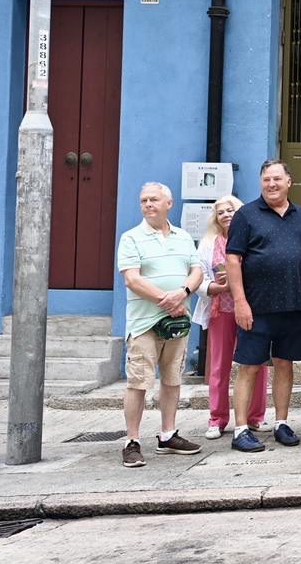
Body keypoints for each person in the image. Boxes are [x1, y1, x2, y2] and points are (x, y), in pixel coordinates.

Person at [225, 160, 301, 453]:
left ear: (289, 181)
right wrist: (240, 302)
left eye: (277, 179)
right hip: (256, 306)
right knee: (249, 367)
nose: (272, 184)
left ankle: (281, 422)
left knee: (284, 364)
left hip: (291, 306)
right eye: (266, 180)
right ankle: (240, 429)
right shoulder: (245, 215)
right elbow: (232, 260)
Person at [116, 182, 204, 467]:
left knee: (172, 379)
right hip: (145, 323)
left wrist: (184, 293)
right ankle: (132, 441)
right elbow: (132, 279)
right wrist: (168, 300)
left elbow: (196, 270)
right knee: (139, 382)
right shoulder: (131, 238)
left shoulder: (183, 236)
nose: (148, 204)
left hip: (177, 323)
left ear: (169, 203)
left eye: (154, 199)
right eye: (143, 200)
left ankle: (168, 435)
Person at [193, 195, 269, 441]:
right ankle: (217, 419)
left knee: (255, 363)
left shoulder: (252, 237)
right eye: (220, 212)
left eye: (230, 210)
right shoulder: (208, 244)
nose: (226, 215)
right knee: (219, 366)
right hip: (221, 310)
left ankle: (254, 417)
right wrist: (219, 287)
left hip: (251, 308)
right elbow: (200, 281)